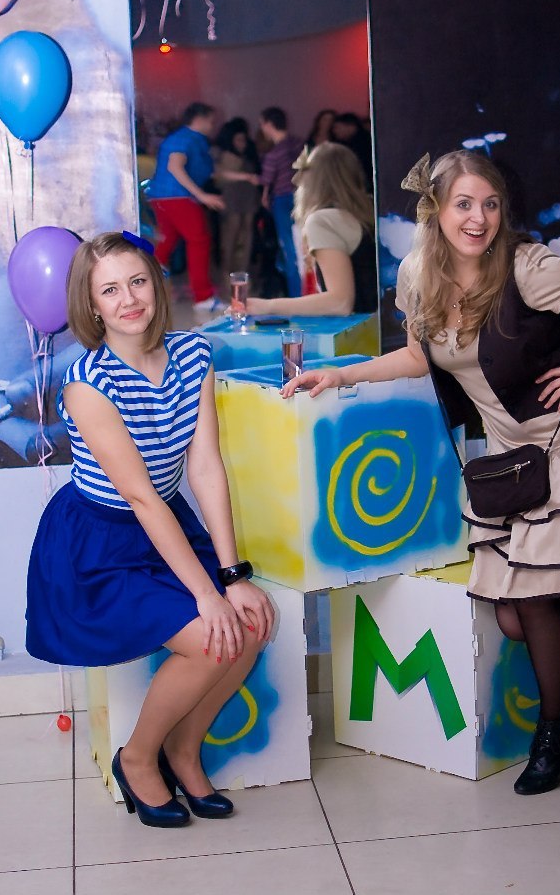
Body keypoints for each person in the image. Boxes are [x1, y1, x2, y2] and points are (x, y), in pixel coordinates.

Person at [283, 150, 560, 796]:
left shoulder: (529, 268)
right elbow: (419, 357)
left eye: (490, 204)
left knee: (530, 604)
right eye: (463, 204)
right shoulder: (416, 275)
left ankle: (553, 734)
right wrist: (341, 374)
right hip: (515, 461)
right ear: (436, 210)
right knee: (516, 618)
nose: (479, 218)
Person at [25, 230, 274, 827]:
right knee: (209, 635)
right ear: (91, 305)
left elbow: (205, 466)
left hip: (166, 523)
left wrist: (233, 575)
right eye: (110, 290)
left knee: (248, 626)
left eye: (137, 281)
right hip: (100, 541)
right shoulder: (87, 382)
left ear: (157, 286)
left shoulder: (193, 354)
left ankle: (184, 751)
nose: (128, 299)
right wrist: (207, 594)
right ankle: (137, 758)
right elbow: (138, 496)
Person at [246, 142, 377, 317]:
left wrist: (268, 306)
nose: (296, 180)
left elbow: (340, 303)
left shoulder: (323, 220)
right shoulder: (369, 211)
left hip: (362, 329)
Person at [146, 102, 226, 315]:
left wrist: (245, 177)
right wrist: (202, 196)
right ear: (199, 119)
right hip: (176, 197)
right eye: (211, 120)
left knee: (168, 241)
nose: (213, 125)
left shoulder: (191, 139)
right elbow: (174, 166)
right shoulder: (185, 138)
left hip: (164, 197)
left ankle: (148, 283)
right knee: (199, 240)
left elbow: (211, 172)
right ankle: (202, 296)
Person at [256, 107, 304, 298]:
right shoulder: (300, 144)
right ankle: (309, 292)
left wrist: (263, 191)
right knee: (305, 247)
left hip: (284, 200)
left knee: (289, 249)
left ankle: (296, 296)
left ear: (269, 124)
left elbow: (266, 180)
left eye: (262, 124)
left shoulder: (274, 153)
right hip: (305, 197)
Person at [214, 117, 261, 281]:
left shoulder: (248, 154)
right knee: (231, 233)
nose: (242, 143)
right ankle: (228, 272)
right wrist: (246, 176)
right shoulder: (226, 155)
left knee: (247, 233)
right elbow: (220, 176)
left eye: (244, 139)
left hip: (248, 196)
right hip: (232, 196)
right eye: (239, 139)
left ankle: (242, 270)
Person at [332, 111, 374, 190]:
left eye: (337, 127)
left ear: (350, 126)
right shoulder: (344, 143)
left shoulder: (364, 142)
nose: (335, 131)